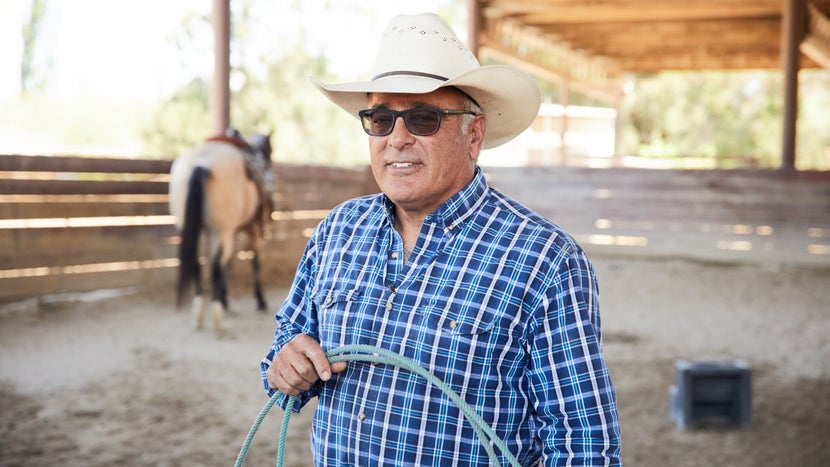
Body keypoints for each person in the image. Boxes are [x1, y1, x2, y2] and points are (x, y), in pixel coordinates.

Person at [261, 12, 622, 466]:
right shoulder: (338, 229)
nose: (397, 138)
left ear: (473, 135)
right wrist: (285, 366)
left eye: (424, 118)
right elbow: (286, 348)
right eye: (380, 119)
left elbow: (583, 443)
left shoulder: (546, 260)